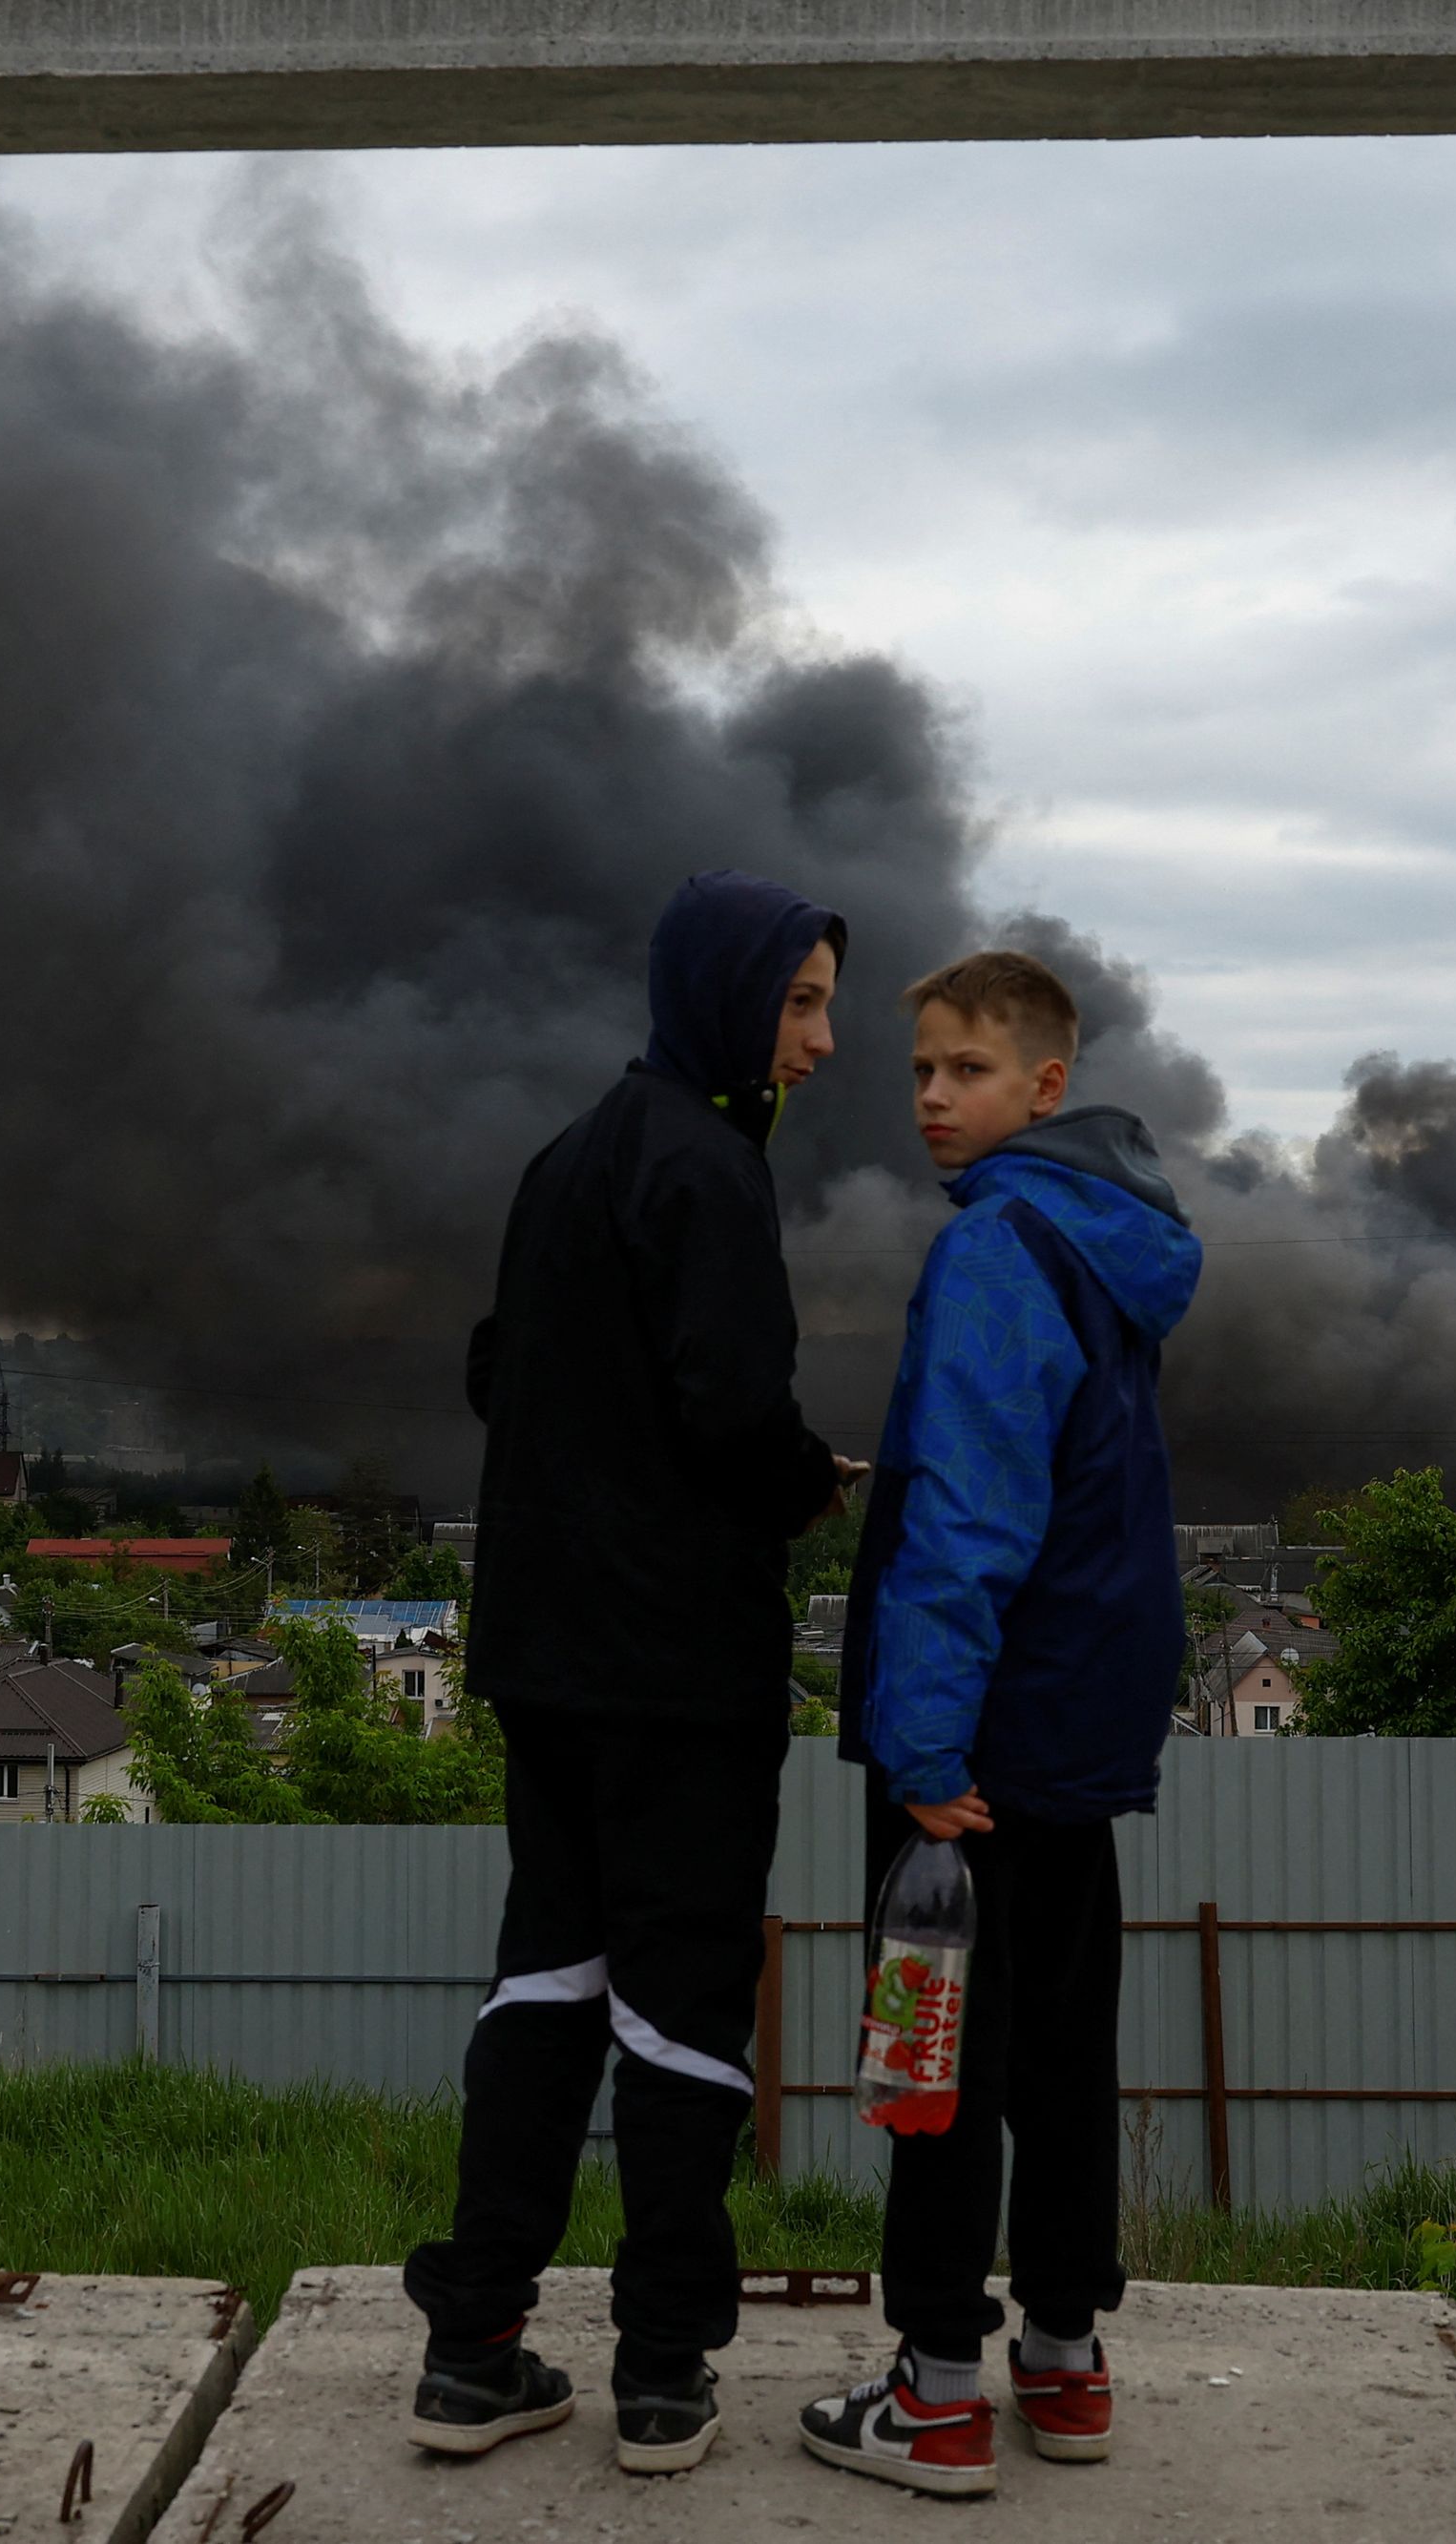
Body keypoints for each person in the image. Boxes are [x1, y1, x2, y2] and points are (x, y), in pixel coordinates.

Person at [402, 868, 860, 2476]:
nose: (821, 1039)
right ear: (728, 998)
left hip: (543, 1662)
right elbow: (733, 1410)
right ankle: (663, 2371)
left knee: (544, 1987)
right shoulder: (711, 1170)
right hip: (678, 1675)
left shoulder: (567, 1158)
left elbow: (490, 1366)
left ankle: (471, 2349)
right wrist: (811, 1479)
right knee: (682, 2016)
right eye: (800, 1002)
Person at [800, 949, 1199, 2499]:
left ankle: (938, 2393)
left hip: (973, 1752)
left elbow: (966, 1521)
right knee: (1067, 2054)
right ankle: (1066, 2362)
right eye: (918, 1072)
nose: (930, 1100)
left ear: (1047, 1084)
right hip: (1080, 1739)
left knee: (937, 2057)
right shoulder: (1116, 1246)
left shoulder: (995, 1251)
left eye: (964, 1071)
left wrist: (924, 1750)